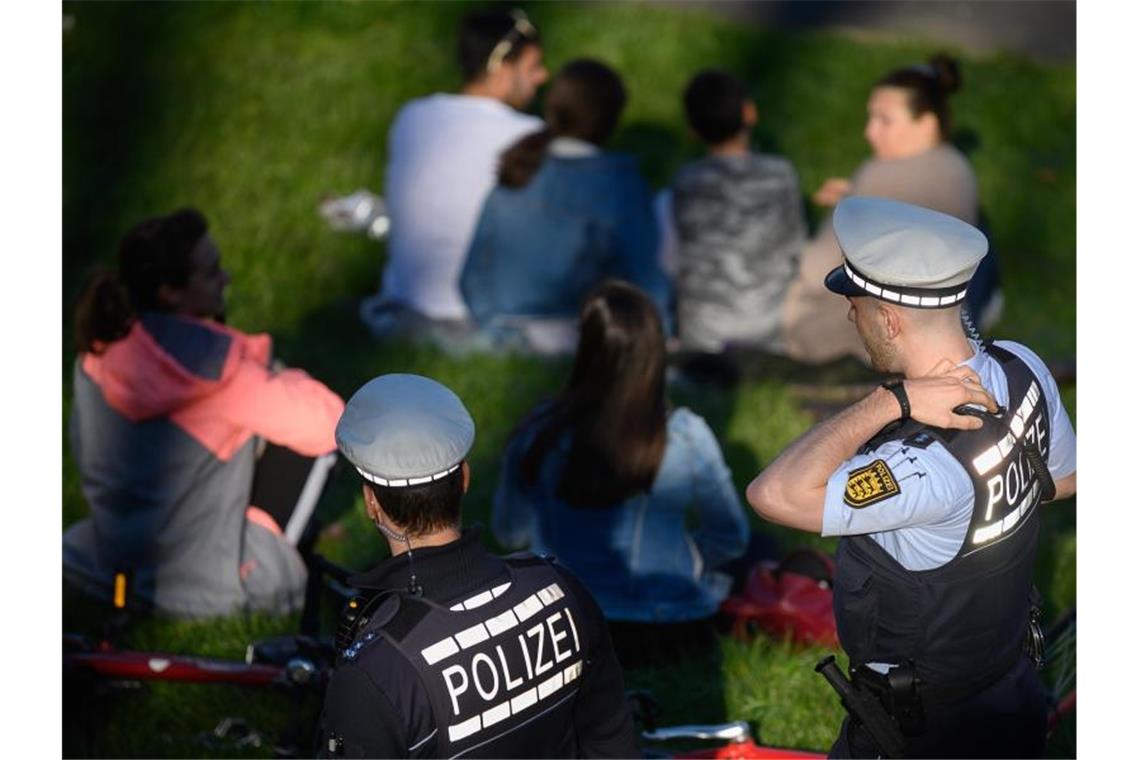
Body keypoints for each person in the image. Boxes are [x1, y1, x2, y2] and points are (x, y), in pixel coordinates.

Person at [746, 197, 1076, 758]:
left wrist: (888, 402)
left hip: (921, 734)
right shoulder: (1023, 368)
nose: (851, 315)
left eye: (856, 303)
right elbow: (1065, 481)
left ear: (890, 318)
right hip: (1012, 695)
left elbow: (771, 494)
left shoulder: (916, 467)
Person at [318, 373, 638, 758]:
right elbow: (611, 740)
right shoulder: (562, 591)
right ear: (465, 478)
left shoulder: (374, 676)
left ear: (371, 502)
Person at [63, 208, 345, 617]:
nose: (225, 278)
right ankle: (266, 554)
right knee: (311, 433)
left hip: (109, 558)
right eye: (211, 272)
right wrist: (276, 376)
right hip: (210, 583)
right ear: (170, 292)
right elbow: (333, 425)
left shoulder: (100, 350)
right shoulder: (220, 374)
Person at [492, 281, 760, 668]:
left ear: (585, 350)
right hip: (669, 629)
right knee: (762, 550)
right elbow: (731, 539)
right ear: (656, 354)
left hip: (562, 628)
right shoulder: (685, 434)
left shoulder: (539, 433)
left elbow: (509, 533)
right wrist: (688, 560)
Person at [782, 53, 1001, 364]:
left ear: (926, 124)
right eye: (871, 118)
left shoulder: (879, 175)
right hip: (938, 326)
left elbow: (816, 270)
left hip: (869, 337)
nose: (870, 132)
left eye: (884, 120)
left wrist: (846, 208)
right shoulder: (959, 167)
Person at [359, 8, 548, 346]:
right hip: (482, 319)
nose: (543, 77)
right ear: (501, 67)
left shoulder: (411, 117)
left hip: (402, 310)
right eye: (532, 68)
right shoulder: (531, 136)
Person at [460, 59, 669, 353]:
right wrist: (662, 339)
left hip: (496, 329)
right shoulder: (619, 186)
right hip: (575, 335)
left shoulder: (519, 169)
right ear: (612, 120)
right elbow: (645, 280)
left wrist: (493, 328)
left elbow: (472, 274)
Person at [663, 68, 807, 354]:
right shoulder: (782, 177)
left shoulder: (685, 184)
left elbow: (669, 261)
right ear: (749, 112)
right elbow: (796, 248)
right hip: (769, 332)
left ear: (691, 129)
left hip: (703, 338)